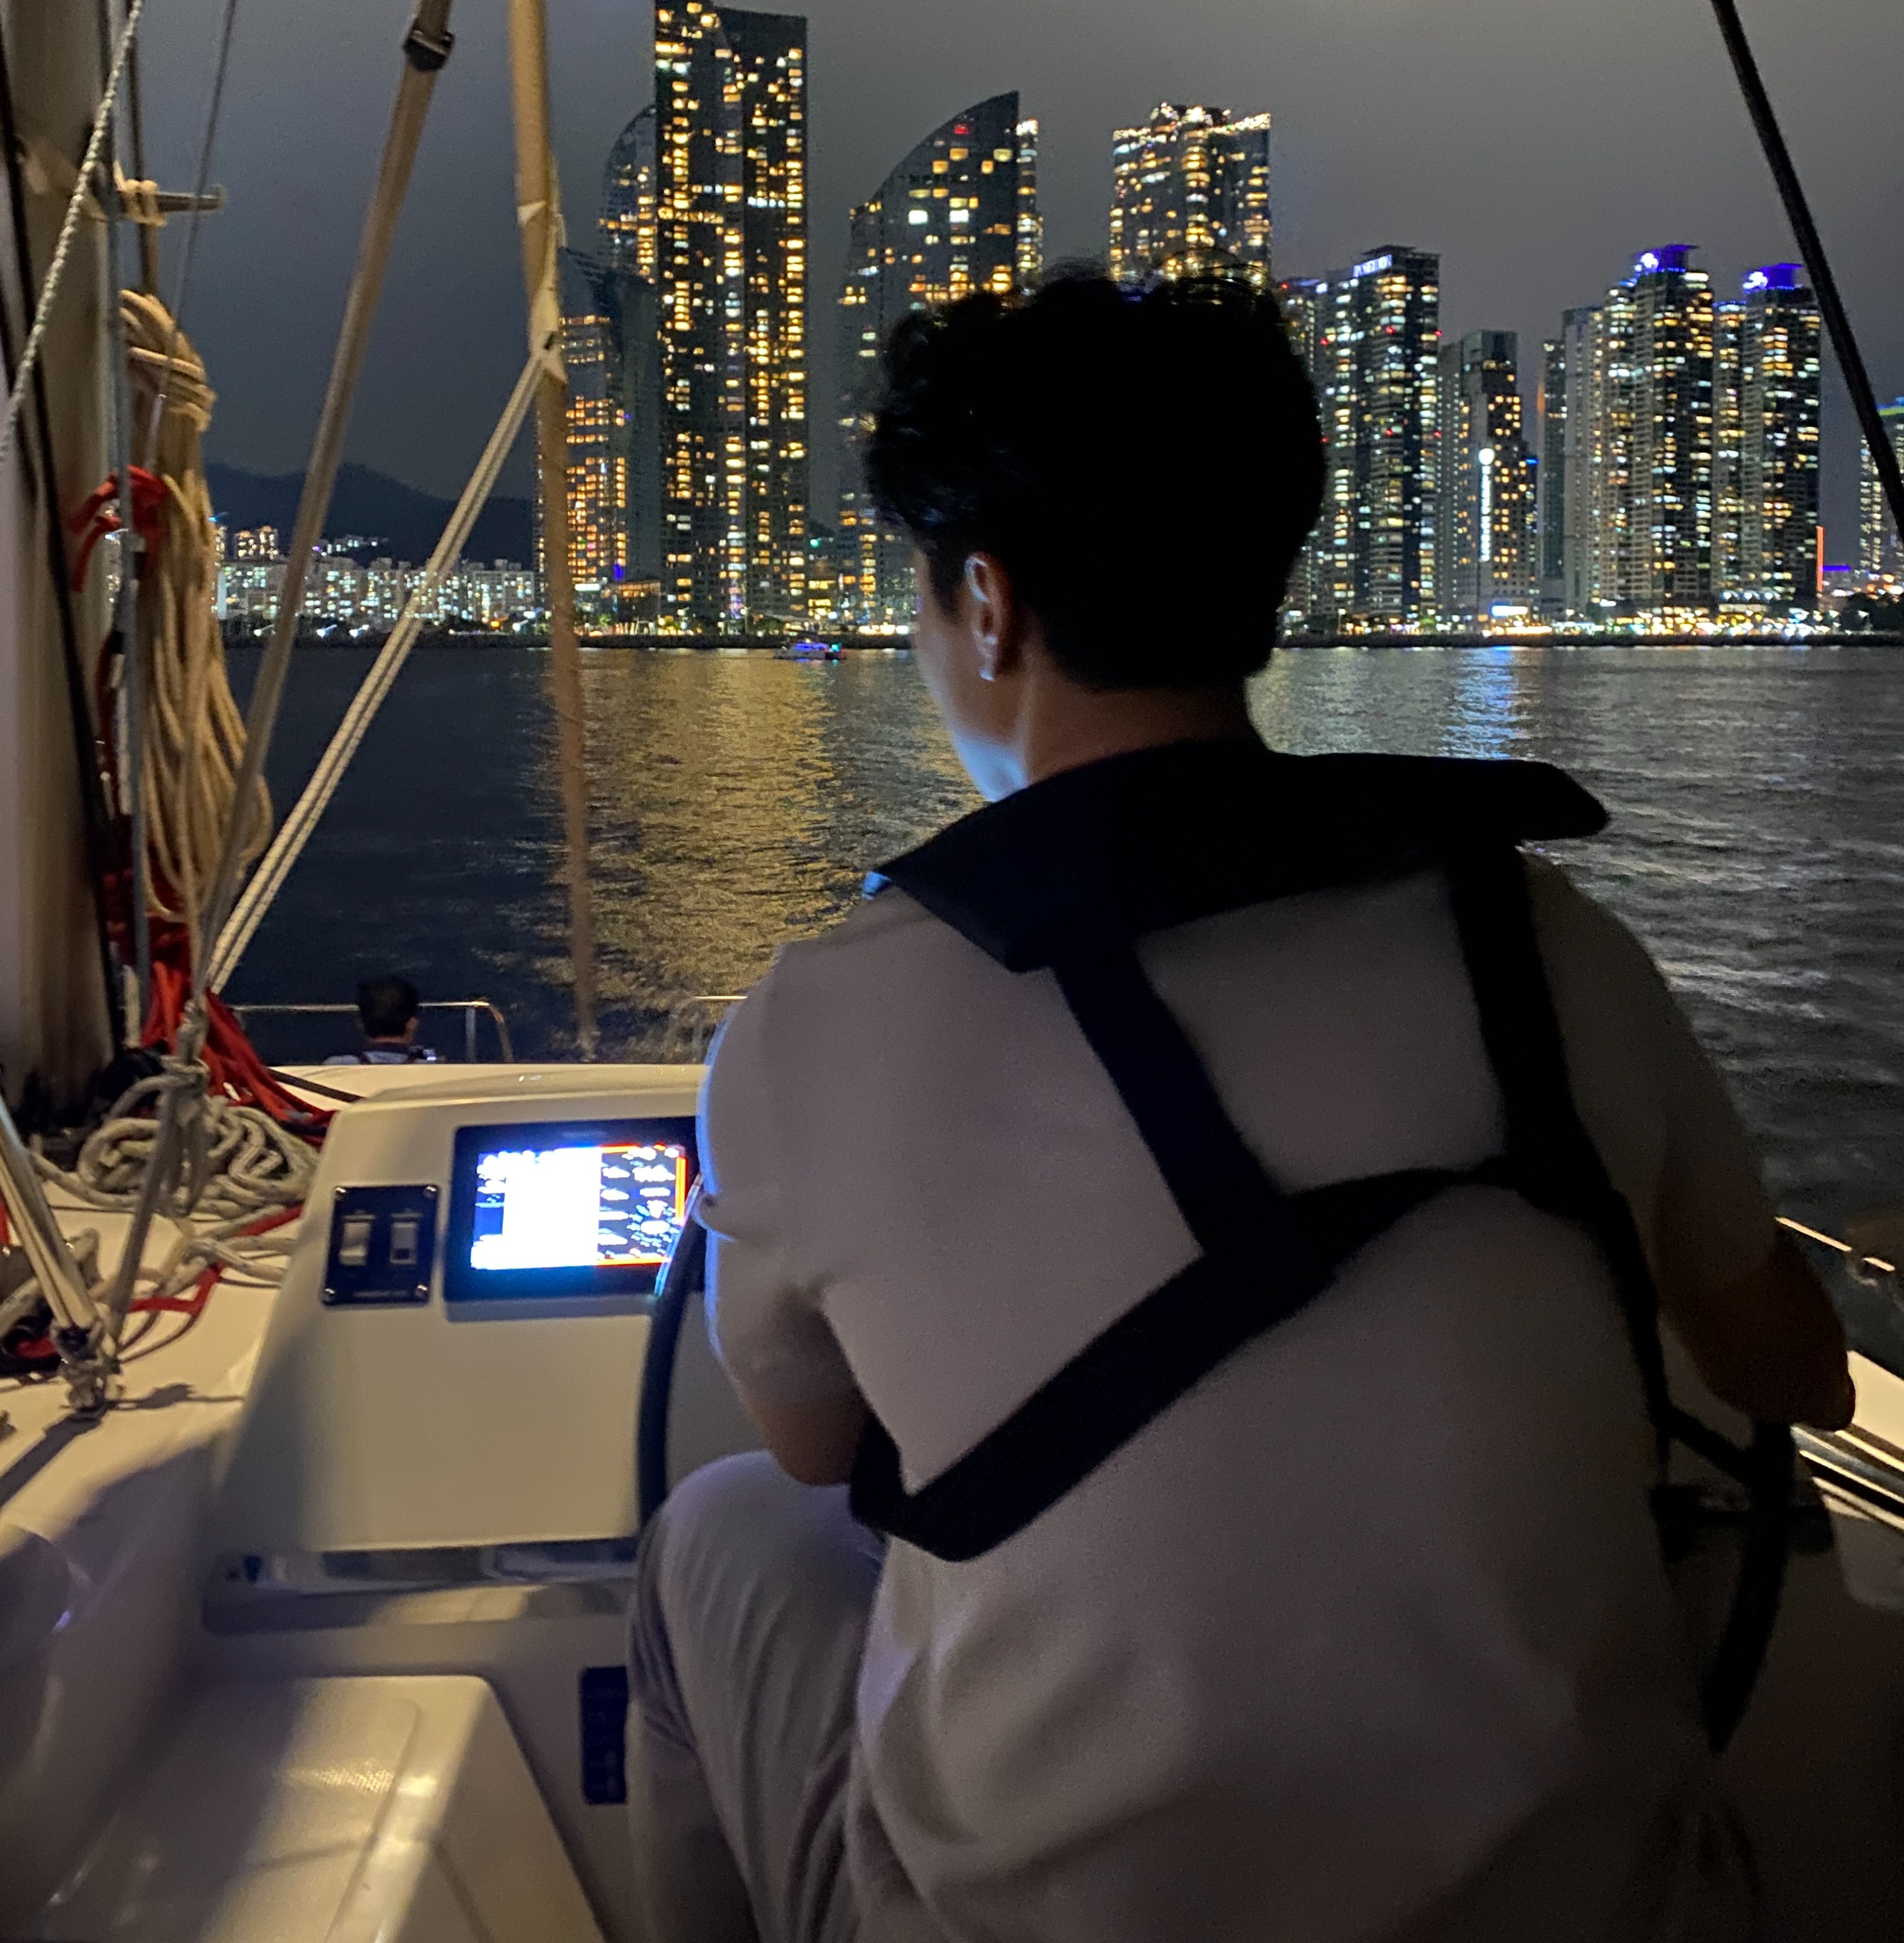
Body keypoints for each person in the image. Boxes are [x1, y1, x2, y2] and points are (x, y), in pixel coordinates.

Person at [627, 274, 1851, 1943]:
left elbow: (815, 1447)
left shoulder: (815, 1025)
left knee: (712, 1530)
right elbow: (1798, 1374)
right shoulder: (1552, 947)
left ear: (985, 605)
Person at [325, 974, 438, 1065]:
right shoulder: (430, 1065)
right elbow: (431, 1056)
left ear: (360, 1024)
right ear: (412, 1024)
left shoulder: (337, 1065)